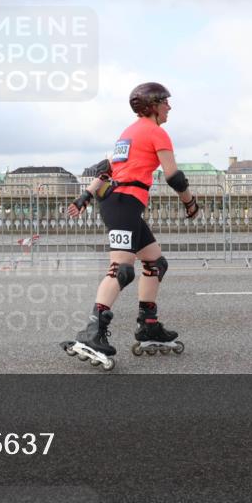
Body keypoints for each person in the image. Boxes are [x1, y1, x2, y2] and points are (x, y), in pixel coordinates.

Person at [65, 82, 199, 364]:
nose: (169, 107)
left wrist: (85, 196)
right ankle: (92, 332)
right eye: (165, 102)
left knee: (155, 263)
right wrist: (190, 202)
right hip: (124, 204)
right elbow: (174, 176)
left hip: (120, 203)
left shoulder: (128, 132)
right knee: (122, 269)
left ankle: (148, 325)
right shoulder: (156, 132)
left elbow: (107, 170)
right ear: (153, 105)